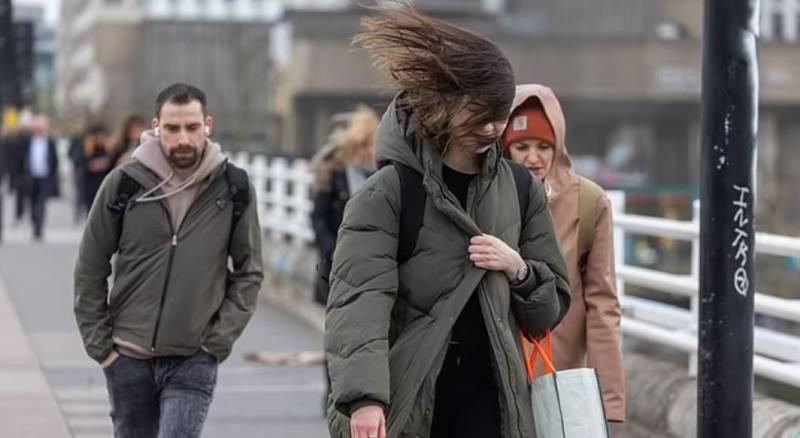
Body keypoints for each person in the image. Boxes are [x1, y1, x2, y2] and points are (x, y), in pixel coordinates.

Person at [324, 5, 571, 438]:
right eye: (480, 113)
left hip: (497, 404)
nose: (494, 127)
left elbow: (546, 315)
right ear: (444, 103)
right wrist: (365, 399)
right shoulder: (389, 192)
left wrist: (519, 270)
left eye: (500, 114)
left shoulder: (521, 188)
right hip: (416, 396)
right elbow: (359, 301)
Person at [73, 83, 264, 438]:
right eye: (173, 128)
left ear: (207, 124)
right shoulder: (125, 183)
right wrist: (102, 348)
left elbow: (250, 271)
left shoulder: (233, 187)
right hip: (127, 358)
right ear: (156, 125)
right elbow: (90, 266)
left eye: (192, 127)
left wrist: (215, 343)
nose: (183, 139)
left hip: (193, 358)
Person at [502, 84, 626, 425]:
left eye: (544, 146)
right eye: (521, 146)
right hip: (496, 377)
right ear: (505, 147)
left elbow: (603, 306)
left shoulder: (588, 202)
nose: (533, 157)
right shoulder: (485, 198)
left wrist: (609, 404)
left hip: (560, 377)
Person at [310, 105, 380, 306]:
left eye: (371, 144)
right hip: (336, 265)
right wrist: (332, 252)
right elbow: (318, 218)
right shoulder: (334, 175)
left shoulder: (384, 177)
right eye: (362, 144)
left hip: (370, 268)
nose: (367, 151)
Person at [18, 114, 59, 241]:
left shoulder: (50, 142)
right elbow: (21, 158)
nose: (40, 130)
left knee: (42, 202)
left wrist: (53, 175)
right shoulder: (28, 142)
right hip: (31, 176)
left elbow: (55, 160)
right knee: (32, 202)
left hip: (45, 176)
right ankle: (34, 221)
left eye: (42, 127)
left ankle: (39, 228)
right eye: (38, 127)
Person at [81, 124, 116, 210]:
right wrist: (93, 165)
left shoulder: (109, 150)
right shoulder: (88, 149)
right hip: (91, 186)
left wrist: (106, 164)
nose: (101, 139)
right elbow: (83, 165)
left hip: (105, 185)